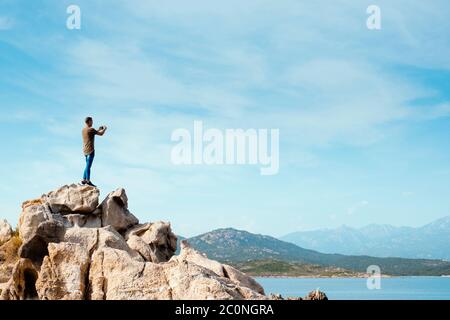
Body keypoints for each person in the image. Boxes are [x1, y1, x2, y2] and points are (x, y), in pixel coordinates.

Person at [81, 117, 107, 187]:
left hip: (85, 150)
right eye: (92, 121)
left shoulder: (83, 130)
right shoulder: (91, 129)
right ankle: (88, 180)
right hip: (91, 150)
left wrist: (98, 129)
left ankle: (84, 179)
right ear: (89, 121)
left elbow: (93, 132)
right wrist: (104, 129)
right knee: (88, 166)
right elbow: (101, 134)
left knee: (87, 165)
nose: (92, 122)